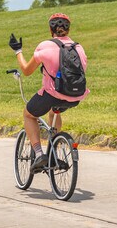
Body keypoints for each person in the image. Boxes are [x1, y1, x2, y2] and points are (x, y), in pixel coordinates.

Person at [8, 13, 89, 172]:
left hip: (52, 94)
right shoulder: (79, 48)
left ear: (50, 29)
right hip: (75, 96)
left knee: (29, 114)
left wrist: (18, 51)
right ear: (68, 28)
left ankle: (39, 154)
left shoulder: (45, 46)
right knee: (54, 112)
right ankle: (56, 146)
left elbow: (26, 70)